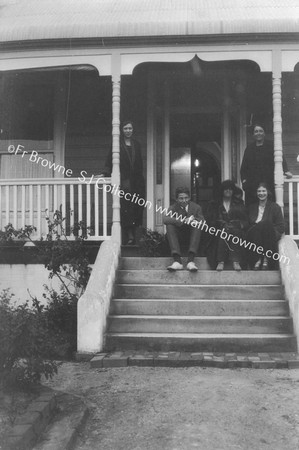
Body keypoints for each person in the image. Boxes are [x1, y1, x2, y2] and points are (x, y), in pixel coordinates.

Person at [102, 120, 145, 245]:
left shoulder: (137, 144)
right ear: (122, 130)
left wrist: (140, 179)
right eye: (125, 128)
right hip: (124, 180)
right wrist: (105, 173)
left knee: (137, 207)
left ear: (133, 130)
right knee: (126, 208)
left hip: (137, 181)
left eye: (130, 128)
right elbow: (110, 160)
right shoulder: (117, 144)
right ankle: (129, 236)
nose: (128, 131)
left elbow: (140, 164)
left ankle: (137, 236)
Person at [240, 124, 292, 206]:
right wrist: (244, 181)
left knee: (269, 204)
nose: (258, 133)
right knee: (253, 205)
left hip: (268, 180)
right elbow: (243, 168)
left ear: (264, 133)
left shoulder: (271, 146)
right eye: (256, 131)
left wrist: (286, 170)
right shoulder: (249, 149)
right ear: (253, 134)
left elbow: (280, 157)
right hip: (252, 183)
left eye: (261, 131)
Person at [205, 180, 248, 271]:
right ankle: (220, 261)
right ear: (222, 190)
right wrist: (220, 223)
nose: (228, 191)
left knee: (235, 231)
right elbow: (209, 220)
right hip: (218, 233)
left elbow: (245, 220)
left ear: (233, 191)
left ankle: (236, 261)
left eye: (230, 189)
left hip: (236, 232)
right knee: (224, 231)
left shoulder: (239, 203)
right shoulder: (214, 204)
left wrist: (237, 224)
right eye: (225, 189)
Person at [163, 186, 204, 272]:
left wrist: (193, 221)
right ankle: (177, 261)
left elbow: (202, 221)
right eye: (181, 198)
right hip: (179, 236)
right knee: (169, 226)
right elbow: (165, 219)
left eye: (186, 198)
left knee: (197, 225)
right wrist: (182, 221)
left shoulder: (196, 207)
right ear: (177, 199)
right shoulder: (173, 207)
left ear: (189, 197)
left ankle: (191, 261)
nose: (184, 200)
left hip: (192, 236)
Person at [246, 182, 285, 270]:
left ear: (268, 192)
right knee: (260, 228)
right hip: (254, 232)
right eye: (259, 191)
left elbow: (281, 226)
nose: (261, 193)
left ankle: (261, 260)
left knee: (266, 224)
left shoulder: (275, 207)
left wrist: (270, 230)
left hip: (269, 233)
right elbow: (248, 224)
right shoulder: (251, 207)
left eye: (263, 191)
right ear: (256, 193)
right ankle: (262, 260)